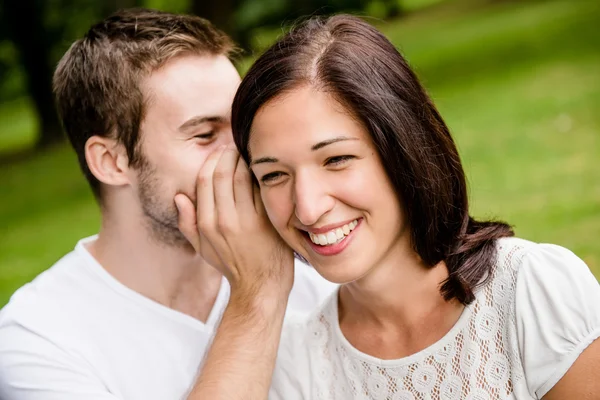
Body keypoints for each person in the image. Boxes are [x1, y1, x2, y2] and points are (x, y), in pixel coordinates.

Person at [227, 14, 600, 399]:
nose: (307, 208)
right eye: (273, 175)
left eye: (336, 159)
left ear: (403, 147)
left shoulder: (533, 294)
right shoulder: (295, 365)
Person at [0, 8, 335, 400]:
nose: (245, 155)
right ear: (111, 162)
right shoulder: (38, 341)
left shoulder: (317, 267)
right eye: (206, 134)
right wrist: (257, 296)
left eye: (242, 126)